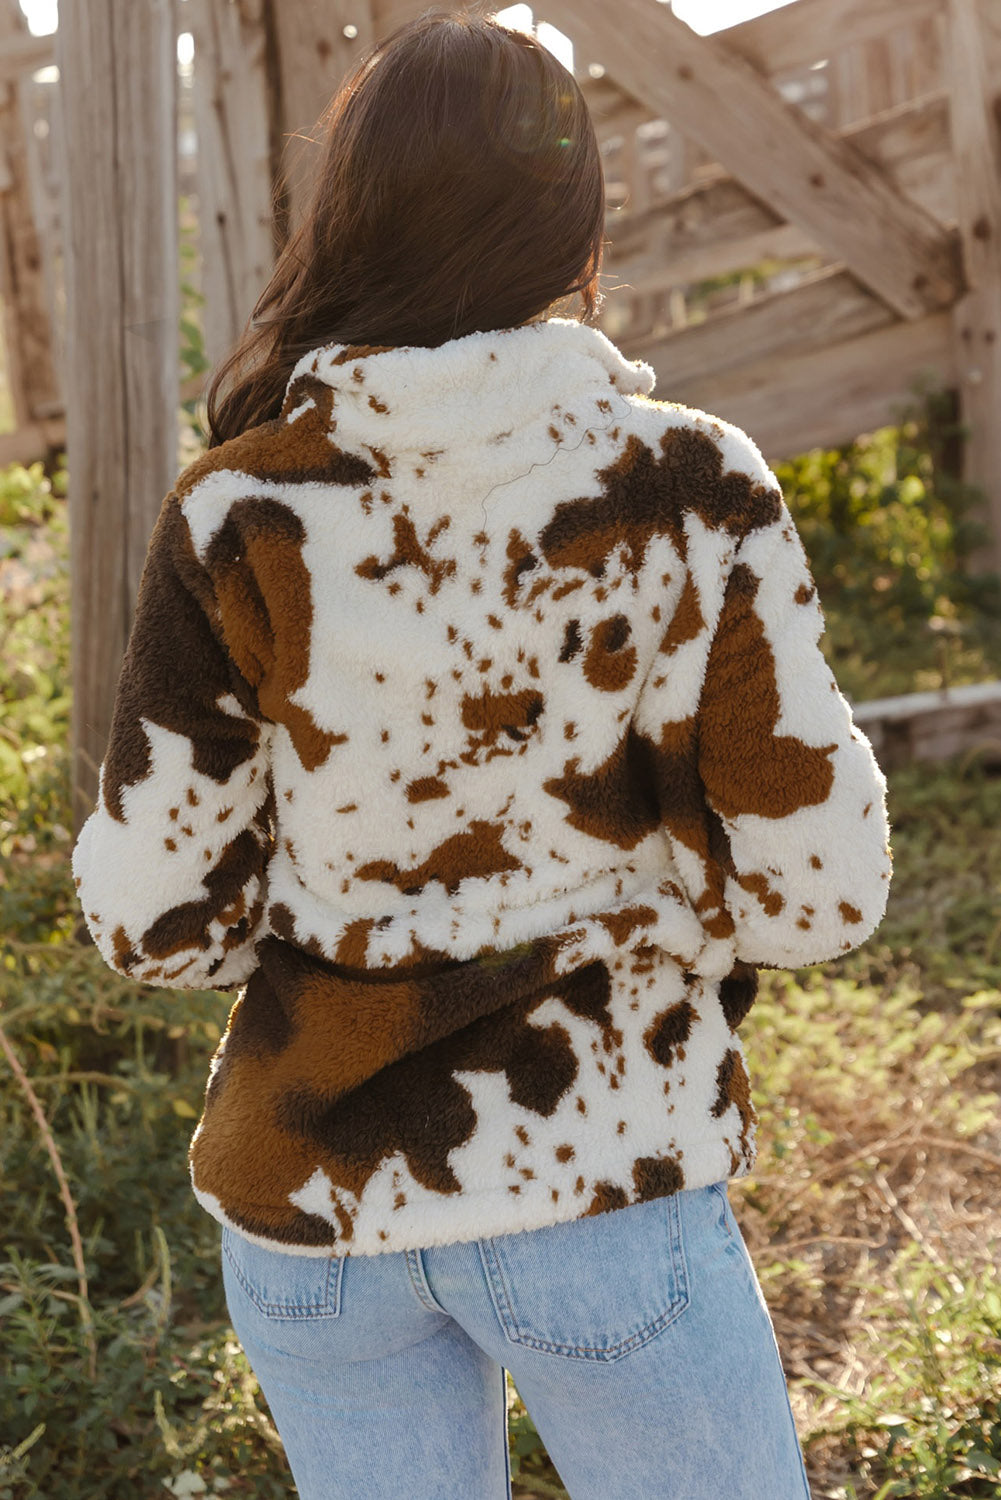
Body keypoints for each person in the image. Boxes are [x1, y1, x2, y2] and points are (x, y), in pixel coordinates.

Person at [72, 9, 892, 1498]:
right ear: (576, 228)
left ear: (346, 219)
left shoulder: (235, 512)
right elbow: (821, 894)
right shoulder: (692, 484)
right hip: (599, 1183)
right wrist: (658, 897)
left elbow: (154, 923)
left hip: (308, 1206)